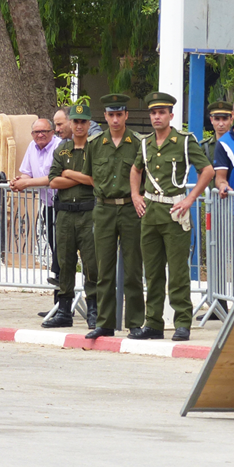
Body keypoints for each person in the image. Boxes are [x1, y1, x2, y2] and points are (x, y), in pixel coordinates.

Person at [129, 92, 213, 342]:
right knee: (153, 273)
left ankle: (182, 323)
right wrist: (136, 195)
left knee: (177, 273)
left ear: (171, 115)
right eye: (153, 113)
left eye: (162, 112)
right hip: (150, 213)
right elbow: (136, 170)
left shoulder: (184, 141)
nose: (157, 117)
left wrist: (190, 198)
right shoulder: (145, 143)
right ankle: (153, 323)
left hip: (176, 212)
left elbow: (206, 170)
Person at [82, 93, 146, 339]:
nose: (116, 119)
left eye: (120, 114)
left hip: (131, 209)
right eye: (111, 115)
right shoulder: (95, 143)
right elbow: (90, 175)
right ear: (105, 116)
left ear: (126, 115)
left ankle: (135, 323)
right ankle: (105, 322)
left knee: (132, 269)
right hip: (104, 208)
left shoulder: (139, 142)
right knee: (103, 268)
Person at [44, 103, 99, 329]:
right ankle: (64, 311)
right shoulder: (61, 150)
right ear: (70, 123)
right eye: (75, 121)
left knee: (91, 263)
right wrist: (82, 177)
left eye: (82, 121)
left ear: (88, 123)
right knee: (65, 262)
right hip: (65, 213)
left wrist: (70, 173)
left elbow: (98, 180)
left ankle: (94, 309)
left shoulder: (96, 148)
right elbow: (53, 181)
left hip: (89, 212)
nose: (78, 125)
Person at [11, 119, 62, 291]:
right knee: (55, 249)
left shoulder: (59, 146)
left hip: (64, 205)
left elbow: (54, 178)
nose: (40, 135)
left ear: (52, 132)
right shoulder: (32, 147)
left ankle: (64, 304)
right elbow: (27, 174)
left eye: (44, 131)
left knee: (62, 252)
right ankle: (60, 305)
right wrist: (18, 181)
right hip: (48, 205)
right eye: (36, 132)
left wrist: (27, 183)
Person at [202, 101, 233, 166]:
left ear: (231, 120)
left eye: (225, 119)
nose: (221, 124)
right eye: (217, 119)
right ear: (211, 120)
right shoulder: (206, 147)